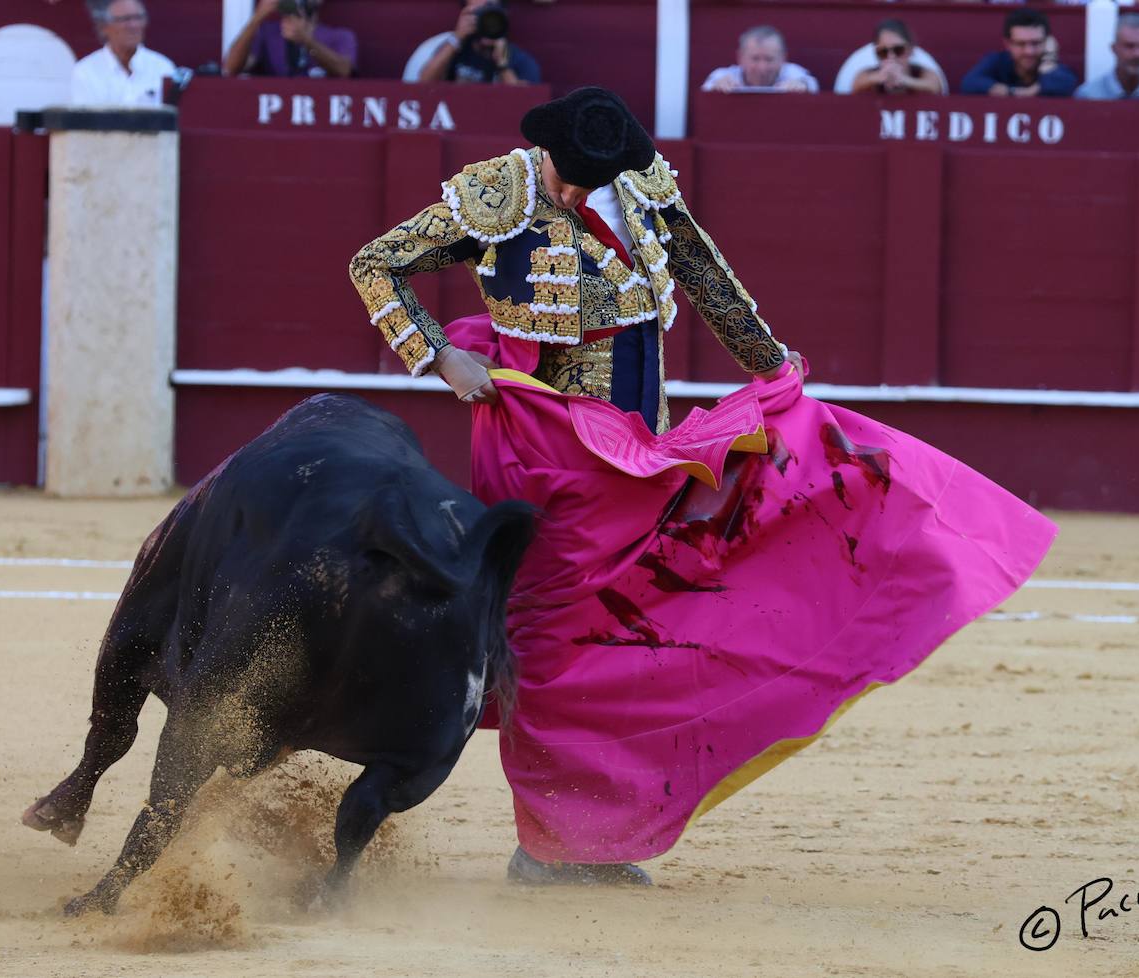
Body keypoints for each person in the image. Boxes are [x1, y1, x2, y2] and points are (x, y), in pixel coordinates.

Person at [348, 87, 1056, 885]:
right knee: (554, 637)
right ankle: (548, 843)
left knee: (633, 627)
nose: (576, 193)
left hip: (639, 448)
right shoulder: (495, 194)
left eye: (591, 180)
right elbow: (374, 264)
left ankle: (592, 834)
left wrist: (775, 374)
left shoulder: (644, 187)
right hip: (544, 445)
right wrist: (441, 357)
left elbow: (709, 281)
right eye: (567, 177)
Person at [405, 0, 542, 85]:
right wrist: (457, 37)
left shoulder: (520, 59)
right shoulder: (455, 50)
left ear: (503, 16)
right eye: (479, 13)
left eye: (491, 14)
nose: (486, 21)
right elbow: (423, 85)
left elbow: (524, 103)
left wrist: (502, 65)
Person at [69, 0, 176, 107]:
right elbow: (85, 121)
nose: (133, 25)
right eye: (124, 19)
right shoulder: (85, 72)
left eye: (138, 18)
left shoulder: (162, 68)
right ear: (104, 27)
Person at [960, 8, 1078, 98]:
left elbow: (1064, 86)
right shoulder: (997, 61)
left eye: (1036, 43)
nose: (1029, 51)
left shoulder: (1052, 66)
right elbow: (969, 83)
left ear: (1047, 42)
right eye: (1021, 44)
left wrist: (1049, 59)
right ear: (1008, 44)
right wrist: (1016, 92)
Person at [222, 0, 356, 79]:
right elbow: (230, 68)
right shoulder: (267, 32)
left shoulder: (340, 36)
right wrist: (257, 17)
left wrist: (306, 41)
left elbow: (344, 70)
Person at [701, 25, 818, 92]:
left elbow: (812, 85)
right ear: (740, 58)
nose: (762, 67)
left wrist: (802, 85)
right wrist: (716, 87)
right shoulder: (724, 75)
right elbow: (707, 88)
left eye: (769, 59)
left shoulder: (793, 73)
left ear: (783, 58)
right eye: (755, 59)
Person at [849, 20, 945, 96]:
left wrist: (904, 80)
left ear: (910, 50)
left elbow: (934, 85)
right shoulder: (869, 75)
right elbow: (856, 85)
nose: (891, 57)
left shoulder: (921, 73)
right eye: (884, 52)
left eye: (898, 50)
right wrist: (879, 77)